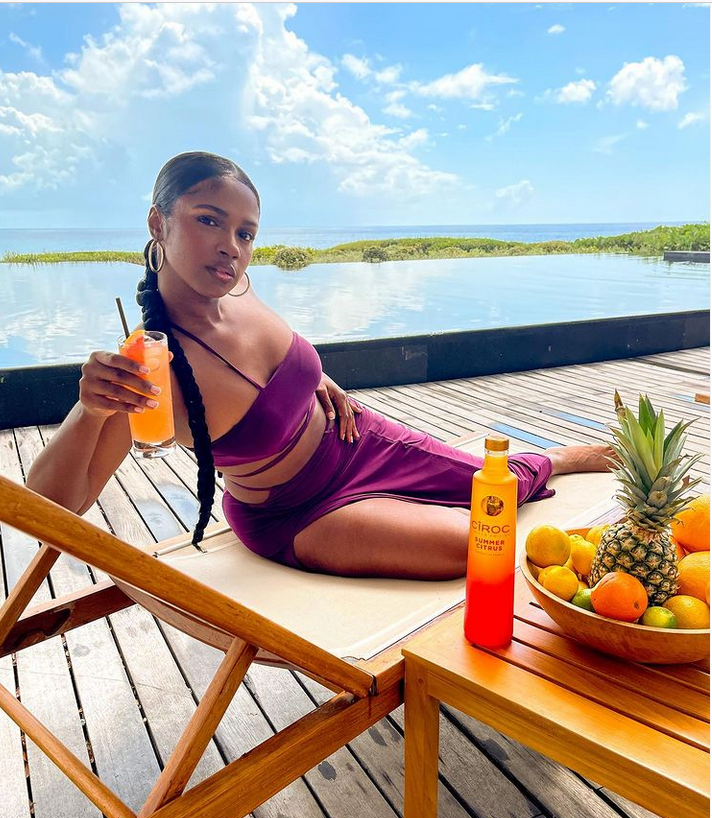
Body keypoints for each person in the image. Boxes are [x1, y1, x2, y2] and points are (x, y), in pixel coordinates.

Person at [27, 151, 612, 581]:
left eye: (245, 233)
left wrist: (316, 381)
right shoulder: (148, 368)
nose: (231, 246)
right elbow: (52, 507)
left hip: (358, 440)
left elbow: (276, 358)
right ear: (158, 223)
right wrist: (89, 410)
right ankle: (487, 485)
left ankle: (556, 459)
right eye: (208, 220)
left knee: (489, 486)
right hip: (301, 511)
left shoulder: (239, 289)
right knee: (479, 541)